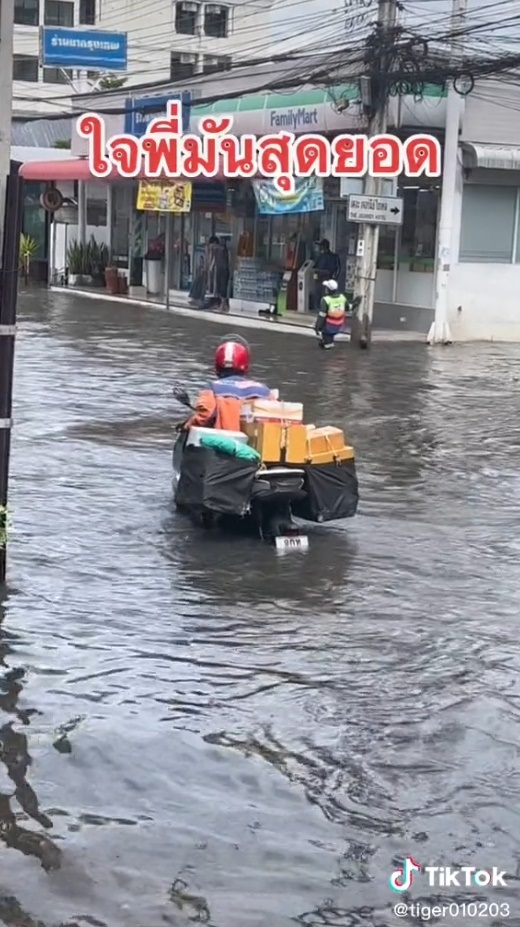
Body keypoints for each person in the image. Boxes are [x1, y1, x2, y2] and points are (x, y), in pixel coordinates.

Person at [184, 339, 275, 432]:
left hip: (225, 442)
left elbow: (205, 416)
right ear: (246, 366)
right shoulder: (265, 391)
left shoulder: (212, 388)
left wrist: (186, 426)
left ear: (217, 366)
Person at [315, 280, 348, 349]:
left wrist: (317, 328)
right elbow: (348, 307)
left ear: (329, 290)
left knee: (326, 344)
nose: (325, 289)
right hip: (339, 326)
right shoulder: (342, 297)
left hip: (328, 327)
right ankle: (328, 343)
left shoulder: (325, 300)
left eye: (326, 288)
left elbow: (321, 316)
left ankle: (327, 344)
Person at [313, 239, 340, 309]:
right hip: (320, 279)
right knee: (318, 295)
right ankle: (319, 310)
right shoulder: (319, 256)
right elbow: (314, 267)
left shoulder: (333, 257)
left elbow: (337, 268)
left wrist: (334, 278)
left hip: (328, 278)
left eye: (321, 246)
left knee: (326, 296)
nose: (319, 248)